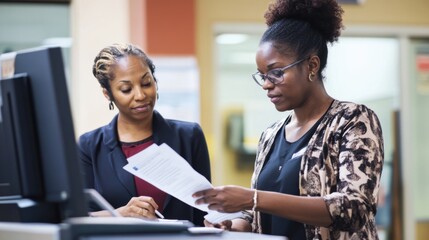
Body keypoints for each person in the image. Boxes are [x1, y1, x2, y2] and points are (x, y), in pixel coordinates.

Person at [193, 0, 384, 239]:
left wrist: (253, 198)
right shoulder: (270, 135)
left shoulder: (352, 121)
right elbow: (255, 216)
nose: (266, 84)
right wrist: (233, 225)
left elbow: (354, 209)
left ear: (311, 66)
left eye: (276, 72)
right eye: (262, 75)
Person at [78, 43, 211, 226]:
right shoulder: (89, 145)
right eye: (126, 89)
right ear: (107, 94)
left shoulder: (189, 136)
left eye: (146, 83)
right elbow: (80, 216)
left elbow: (204, 210)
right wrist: (120, 214)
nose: (140, 95)